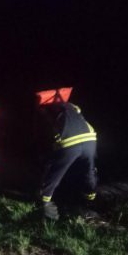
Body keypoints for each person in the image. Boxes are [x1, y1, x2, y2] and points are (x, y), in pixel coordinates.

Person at [35, 87, 97, 220]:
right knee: (88, 170)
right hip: (90, 139)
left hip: (69, 142)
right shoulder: (72, 107)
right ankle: (90, 200)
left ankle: (45, 203)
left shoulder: (48, 110)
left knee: (55, 171)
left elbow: (48, 131)